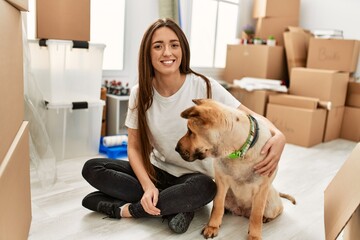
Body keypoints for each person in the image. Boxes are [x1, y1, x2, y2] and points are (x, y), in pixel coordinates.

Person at [81, 18, 286, 234]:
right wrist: (147, 186)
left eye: (174, 45)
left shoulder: (205, 86)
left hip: (195, 179)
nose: (167, 52)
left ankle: (127, 209)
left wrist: (279, 135)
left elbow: (251, 116)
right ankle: (173, 205)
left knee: (206, 189)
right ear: (147, 53)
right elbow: (134, 147)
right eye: (158, 46)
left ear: (182, 49)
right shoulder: (138, 93)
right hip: (157, 170)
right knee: (93, 168)